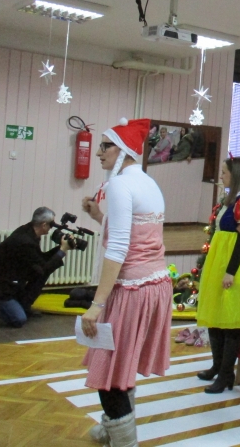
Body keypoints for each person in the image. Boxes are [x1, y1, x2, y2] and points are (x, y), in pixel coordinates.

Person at [80, 118, 172, 447]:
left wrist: (96, 305)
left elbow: (118, 248)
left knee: (109, 374)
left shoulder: (120, 185)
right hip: (155, 285)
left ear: (123, 150)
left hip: (132, 289)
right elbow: (136, 234)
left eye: (105, 146)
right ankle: (112, 430)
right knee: (122, 366)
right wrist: (98, 217)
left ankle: (123, 441)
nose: (99, 153)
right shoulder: (147, 182)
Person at [195, 156, 240, 393]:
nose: (221, 176)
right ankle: (217, 366)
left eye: (224, 172)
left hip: (235, 262)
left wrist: (231, 271)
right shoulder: (231, 198)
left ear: (236, 175)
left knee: (230, 321)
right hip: (220, 258)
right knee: (215, 315)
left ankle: (226, 375)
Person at [0, 207, 73, 328]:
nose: (51, 227)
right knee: (18, 319)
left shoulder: (29, 231)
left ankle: (22, 305)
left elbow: (40, 261)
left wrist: (61, 248)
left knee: (40, 274)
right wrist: (62, 251)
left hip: (11, 280)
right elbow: (44, 266)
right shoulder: (25, 241)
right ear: (44, 225)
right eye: (51, 224)